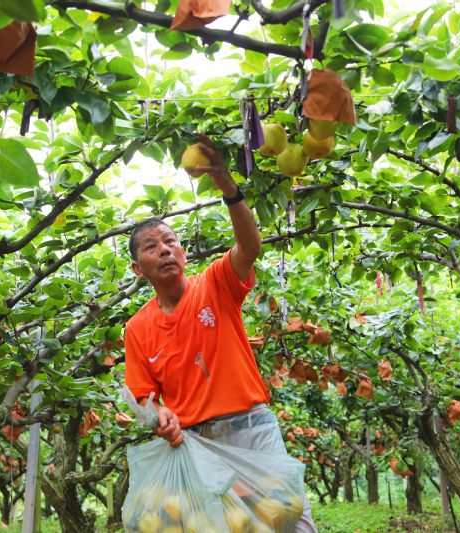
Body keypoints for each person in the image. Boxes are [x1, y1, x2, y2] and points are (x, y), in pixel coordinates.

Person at [124, 134, 317, 532]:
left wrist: (228, 187)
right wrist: (159, 416)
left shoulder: (214, 283)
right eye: (151, 246)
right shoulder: (137, 328)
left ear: (183, 253)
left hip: (251, 428)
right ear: (137, 269)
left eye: (170, 241)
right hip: (196, 444)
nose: (164, 249)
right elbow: (143, 397)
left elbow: (250, 246)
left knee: (291, 518)